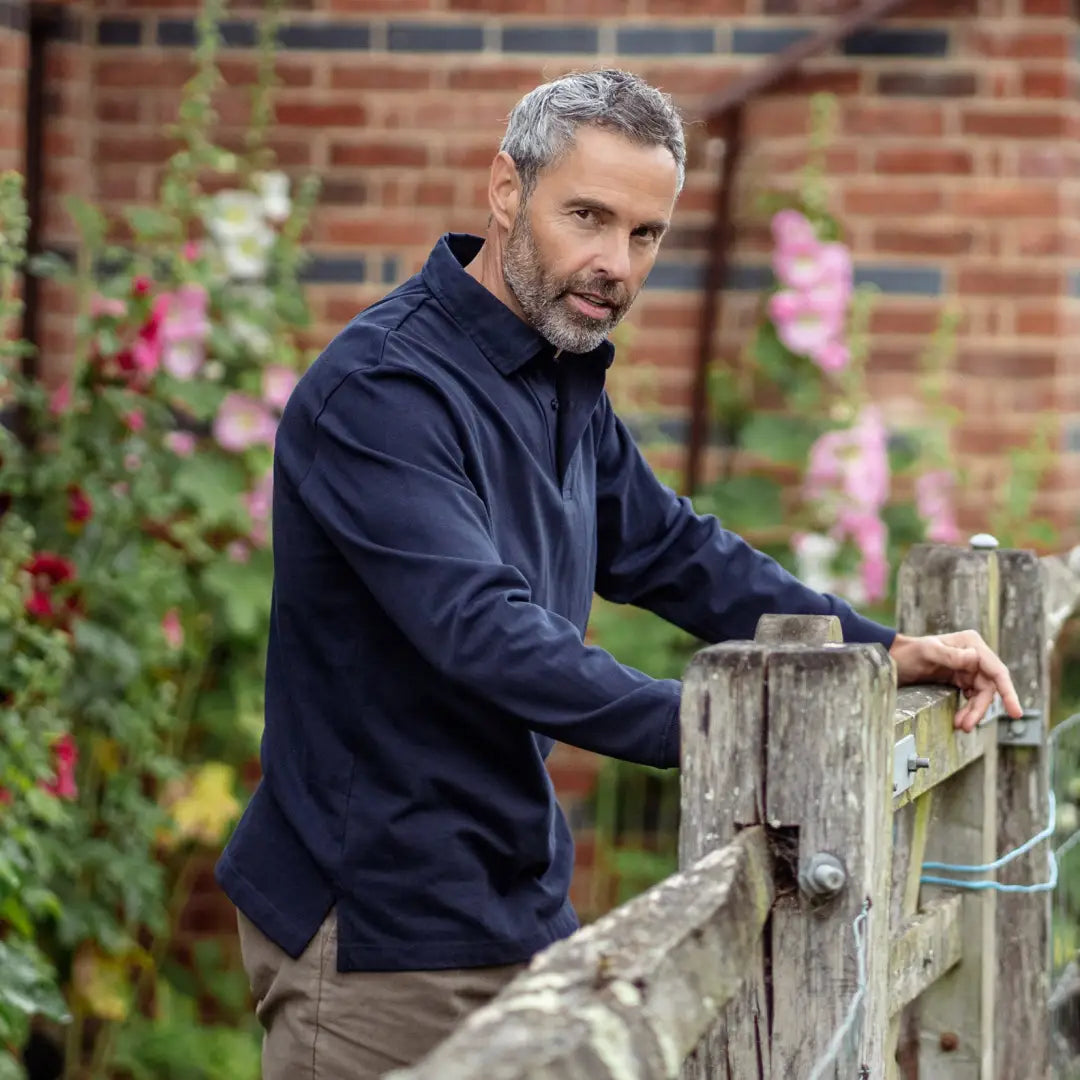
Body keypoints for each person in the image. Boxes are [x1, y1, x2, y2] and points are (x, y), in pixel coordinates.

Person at [215, 69, 1021, 1079]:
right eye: (587, 217)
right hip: (377, 925)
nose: (614, 265)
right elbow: (484, 631)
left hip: (510, 898)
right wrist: (728, 732)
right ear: (505, 189)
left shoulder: (556, 373)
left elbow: (672, 552)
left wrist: (881, 652)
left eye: (644, 234)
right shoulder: (385, 391)